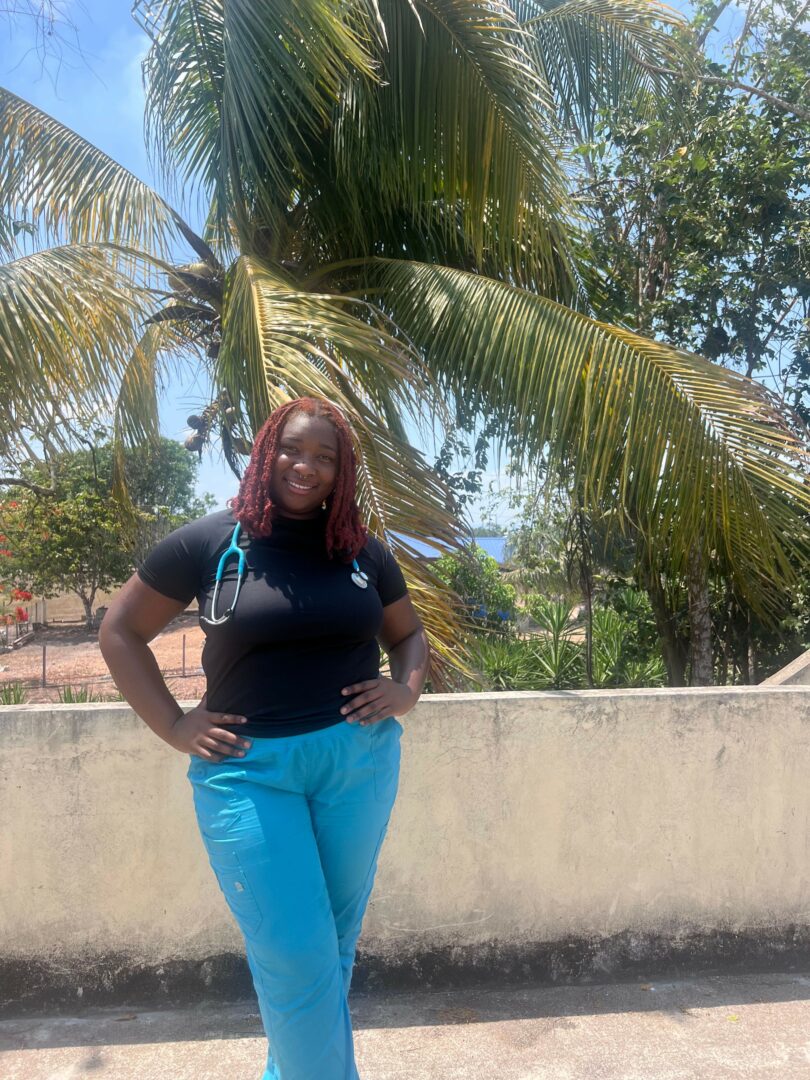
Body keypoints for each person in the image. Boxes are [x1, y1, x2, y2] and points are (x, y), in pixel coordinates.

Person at [99, 395, 430, 1080]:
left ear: (342, 471)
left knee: (331, 946)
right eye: (292, 449)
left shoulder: (363, 552)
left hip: (358, 764)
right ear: (265, 452)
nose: (305, 466)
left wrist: (406, 690)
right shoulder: (208, 542)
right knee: (296, 954)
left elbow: (409, 635)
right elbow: (120, 631)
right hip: (247, 773)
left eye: (324, 457)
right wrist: (175, 725)